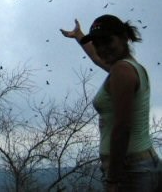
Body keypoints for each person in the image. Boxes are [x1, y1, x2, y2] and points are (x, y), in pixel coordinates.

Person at [61, 14, 161, 192]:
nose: (102, 48)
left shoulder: (122, 71)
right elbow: (98, 58)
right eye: (97, 43)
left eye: (107, 41)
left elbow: (122, 127)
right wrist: (79, 36)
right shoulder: (127, 67)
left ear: (124, 38)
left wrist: (113, 179)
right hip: (137, 166)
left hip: (131, 171)